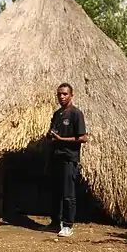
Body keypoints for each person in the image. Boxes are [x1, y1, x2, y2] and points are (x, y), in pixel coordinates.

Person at [45, 83, 88, 237]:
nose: (61, 97)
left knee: (68, 193)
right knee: (55, 192)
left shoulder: (76, 114)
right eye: (59, 94)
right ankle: (55, 222)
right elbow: (53, 133)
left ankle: (68, 225)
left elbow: (83, 137)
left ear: (71, 95)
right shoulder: (57, 114)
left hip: (69, 158)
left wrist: (62, 139)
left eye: (64, 94)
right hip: (56, 157)